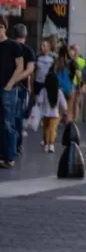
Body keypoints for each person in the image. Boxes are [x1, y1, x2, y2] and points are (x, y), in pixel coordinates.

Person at [0, 16, 25, 168]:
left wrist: (10, 84)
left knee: (8, 123)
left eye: (1, 27)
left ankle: (10, 156)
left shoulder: (14, 46)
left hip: (8, 90)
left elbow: (20, 67)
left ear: (5, 28)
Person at [11, 24, 35, 156]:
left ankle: (10, 144)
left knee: (9, 116)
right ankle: (17, 144)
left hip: (8, 87)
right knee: (18, 117)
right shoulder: (29, 51)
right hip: (22, 87)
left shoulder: (9, 48)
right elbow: (29, 71)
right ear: (25, 36)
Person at [37, 70, 68, 153]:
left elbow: (39, 101)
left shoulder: (43, 91)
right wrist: (65, 110)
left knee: (45, 129)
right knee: (52, 129)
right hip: (55, 114)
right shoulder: (59, 91)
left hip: (45, 114)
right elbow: (63, 103)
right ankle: (51, 145)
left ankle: (46, 144)